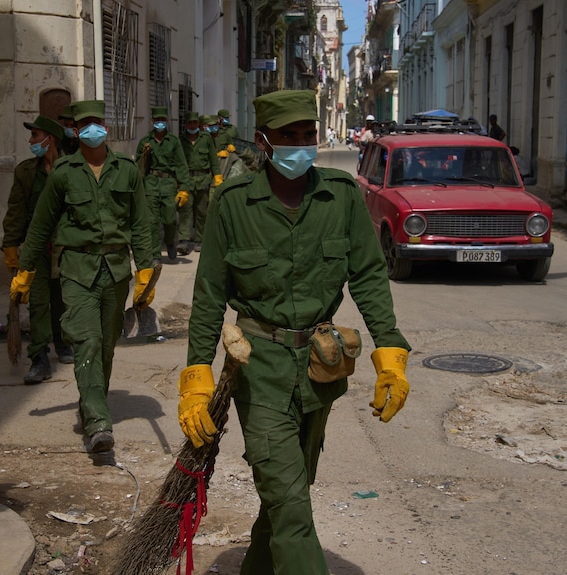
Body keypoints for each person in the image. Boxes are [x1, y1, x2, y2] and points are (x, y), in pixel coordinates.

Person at [176, 89, 411, 574]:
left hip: (320, 367)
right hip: (258, 367)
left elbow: (368, 275)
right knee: (291, 505)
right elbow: (208, 295)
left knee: (289, 494)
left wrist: (390, 349)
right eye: (289, 136)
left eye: (309, 134)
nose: (301, 145)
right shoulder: (233, 203)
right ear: (264, 141)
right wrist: (196, 376)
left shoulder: (341, 195)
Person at [11, 100, 154, 453]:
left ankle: (92, 402)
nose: (92, 128)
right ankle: (97, 422)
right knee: (87, 342)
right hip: (76, 269)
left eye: (97, 122)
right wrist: (25, 270)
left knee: (106, 346)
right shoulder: (63, 173)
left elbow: (141, 222)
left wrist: (146, 269)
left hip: (116, 270)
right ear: (74, 130)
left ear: (106, 125)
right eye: (84, 124)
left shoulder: (127, 169)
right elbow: (41, 225)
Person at [2, 114, 73, 384]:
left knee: (63, 298)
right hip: (37, 246)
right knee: (39, 301)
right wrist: (11, 245)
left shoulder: (71, 169)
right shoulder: (26, 172)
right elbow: (16, 211)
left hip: (67, 245)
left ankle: (64, 342)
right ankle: (40, 358)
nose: (31, 141)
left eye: (35, 135)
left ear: (49, 139)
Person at [136, 106, 193, 261]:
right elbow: (138, 167)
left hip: (168, 184)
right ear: (152, 121)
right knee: (152, 222)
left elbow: (181, 165)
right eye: (157, 120)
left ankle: (169, 242)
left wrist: (184, 188)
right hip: (150, 184)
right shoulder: (145, 142)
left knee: (170, 220)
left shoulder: (173, 141)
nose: (160, 123)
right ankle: (155, 254)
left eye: (163, 120)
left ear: (167, 121)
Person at [180, 110, 223, 254]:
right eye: (190, 123)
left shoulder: (206, 139)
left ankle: (199, 239)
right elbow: (177, 162)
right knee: (185, 211)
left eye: (195, 122)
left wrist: (217, 176)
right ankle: (184, 240)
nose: (192, 125)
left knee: (201, 212)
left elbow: (213, 159)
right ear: (185, 124)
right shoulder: (181, 141)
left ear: (198, 124)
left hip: (203, 179)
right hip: (187, 180)